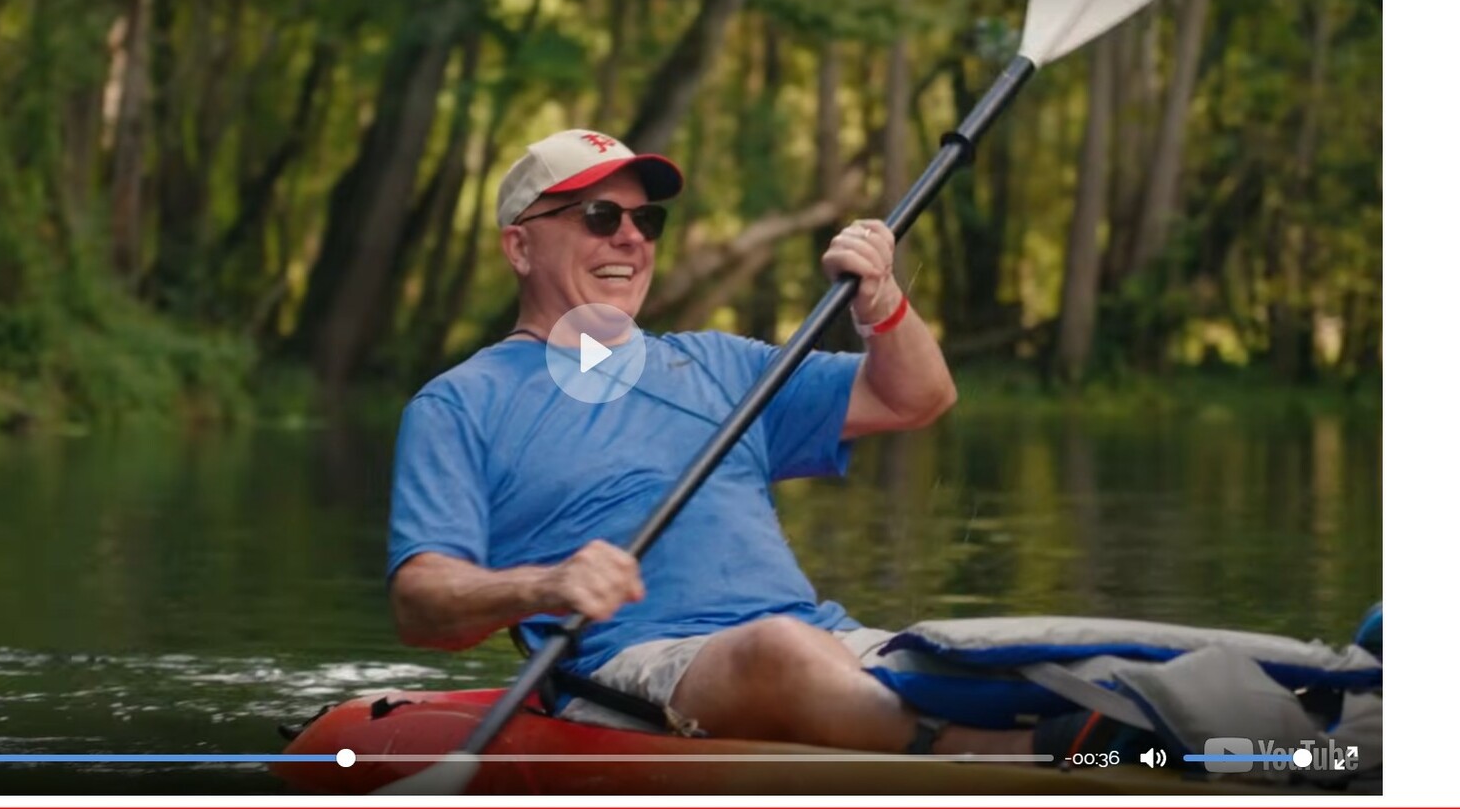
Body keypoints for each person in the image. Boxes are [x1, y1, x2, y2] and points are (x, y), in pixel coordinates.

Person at [385, 128, 1054, 756]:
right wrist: (544, 584)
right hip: (637, 670)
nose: (629, 237)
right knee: (777, 650)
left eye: (645, 220)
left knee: (1041, 652)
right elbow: (420, 602)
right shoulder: (462, 403)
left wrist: (878, 299)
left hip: (827, 642)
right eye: (598, 216)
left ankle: (1079, 734)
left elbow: (915, 398)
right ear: (519, 248)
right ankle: (1017, 757)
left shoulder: (720, 364)